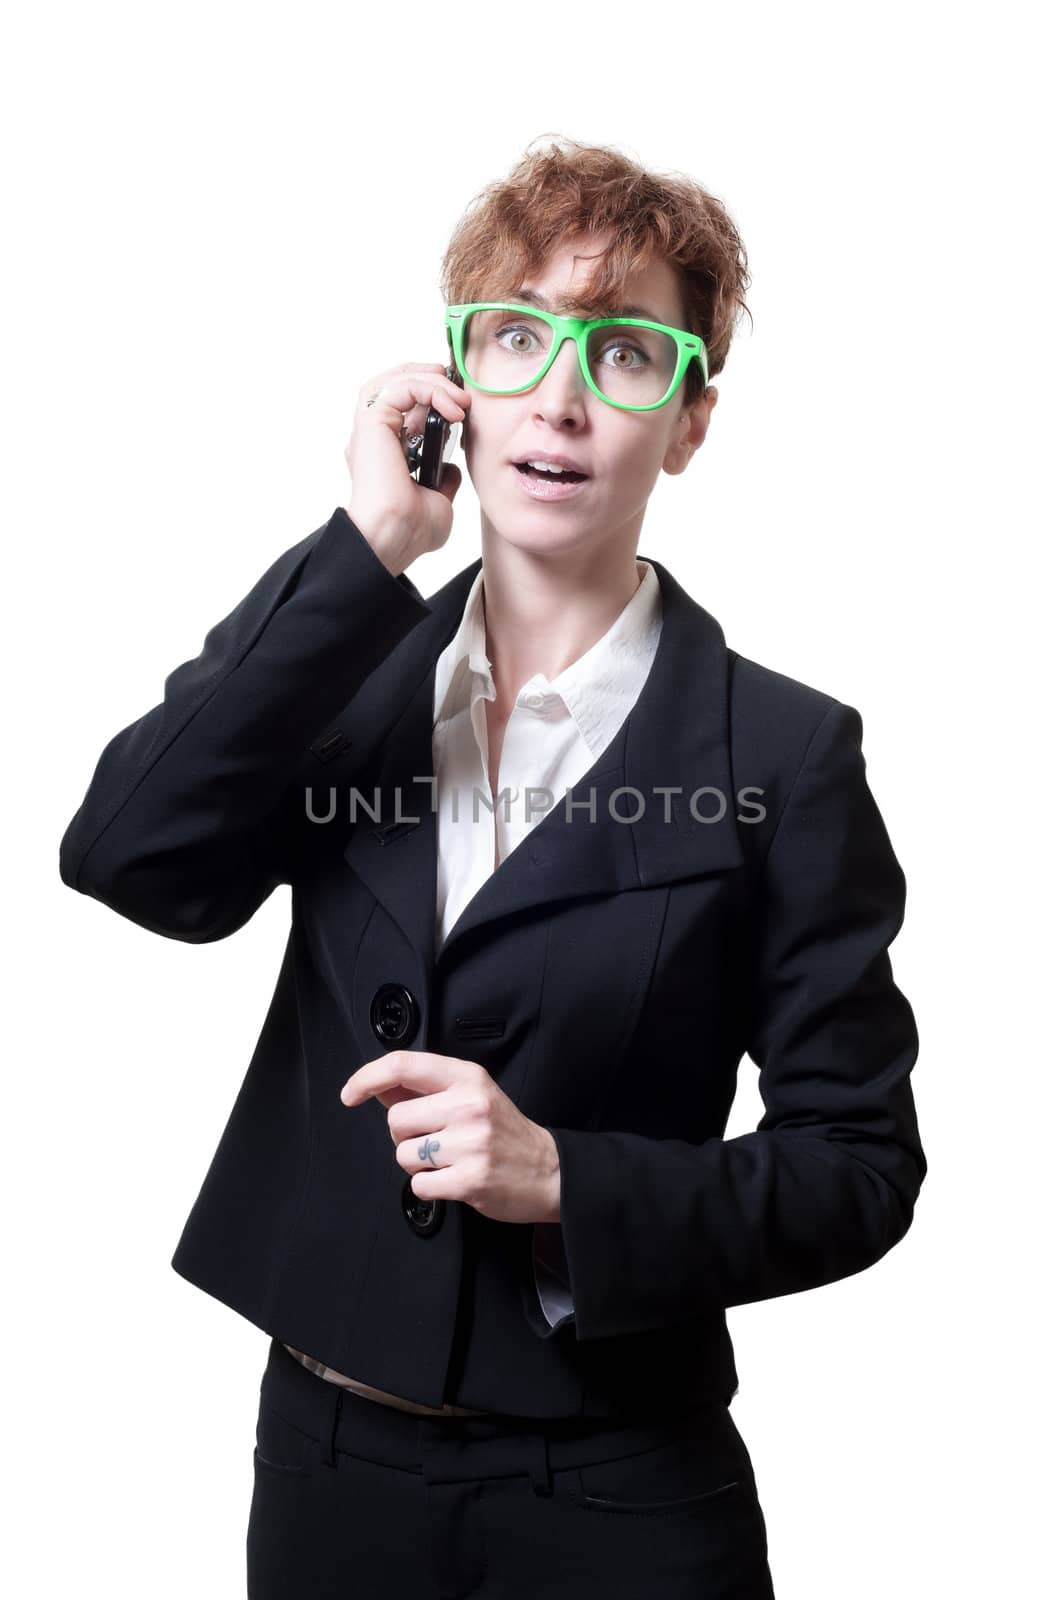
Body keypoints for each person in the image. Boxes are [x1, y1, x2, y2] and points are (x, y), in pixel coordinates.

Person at [59, 135, 926, 1599]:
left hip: (622, 1485)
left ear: (693, 418)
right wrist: (366, 544)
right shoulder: (344, 670)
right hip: (329, 1463)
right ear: (461, 381)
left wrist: (566, 1184)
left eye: (630, 354)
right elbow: (134, 860)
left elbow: (860, 1167)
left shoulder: (783, 754)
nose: (567, 397)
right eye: (519, 337)